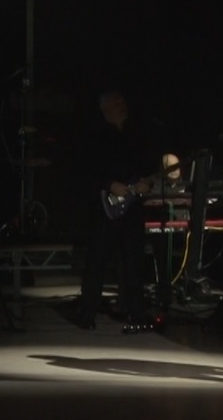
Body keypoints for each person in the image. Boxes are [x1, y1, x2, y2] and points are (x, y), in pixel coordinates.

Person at [72, 88, 174, 331]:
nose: (122, 105)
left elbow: (146, 166)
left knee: (133, 260)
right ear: (105, 108)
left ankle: (135, 312)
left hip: (132, 207)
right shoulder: (95, 135)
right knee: (97, 260)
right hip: (103, 208)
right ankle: (87, 312)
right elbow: (84, 170)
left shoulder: (136, 133)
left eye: (122, 101)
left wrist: (145, 183)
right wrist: (109, 184)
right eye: (117, 102)